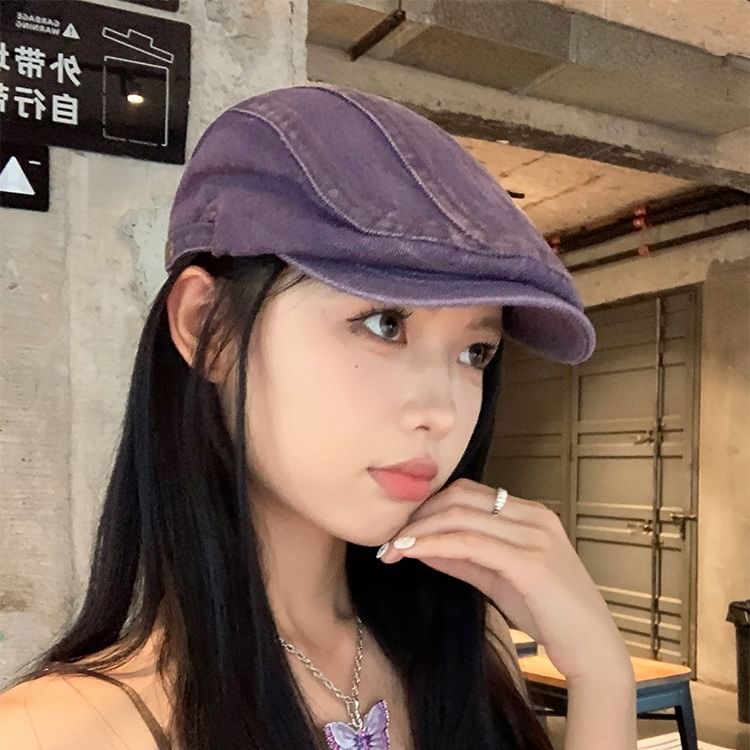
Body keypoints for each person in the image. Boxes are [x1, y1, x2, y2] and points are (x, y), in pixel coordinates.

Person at [0, 83, 636, 749]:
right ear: (209, 329)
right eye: (385, 324)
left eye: (475, 352)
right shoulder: (58, 731)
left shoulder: (472, 647)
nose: (442, 413)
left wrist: (601, 676)